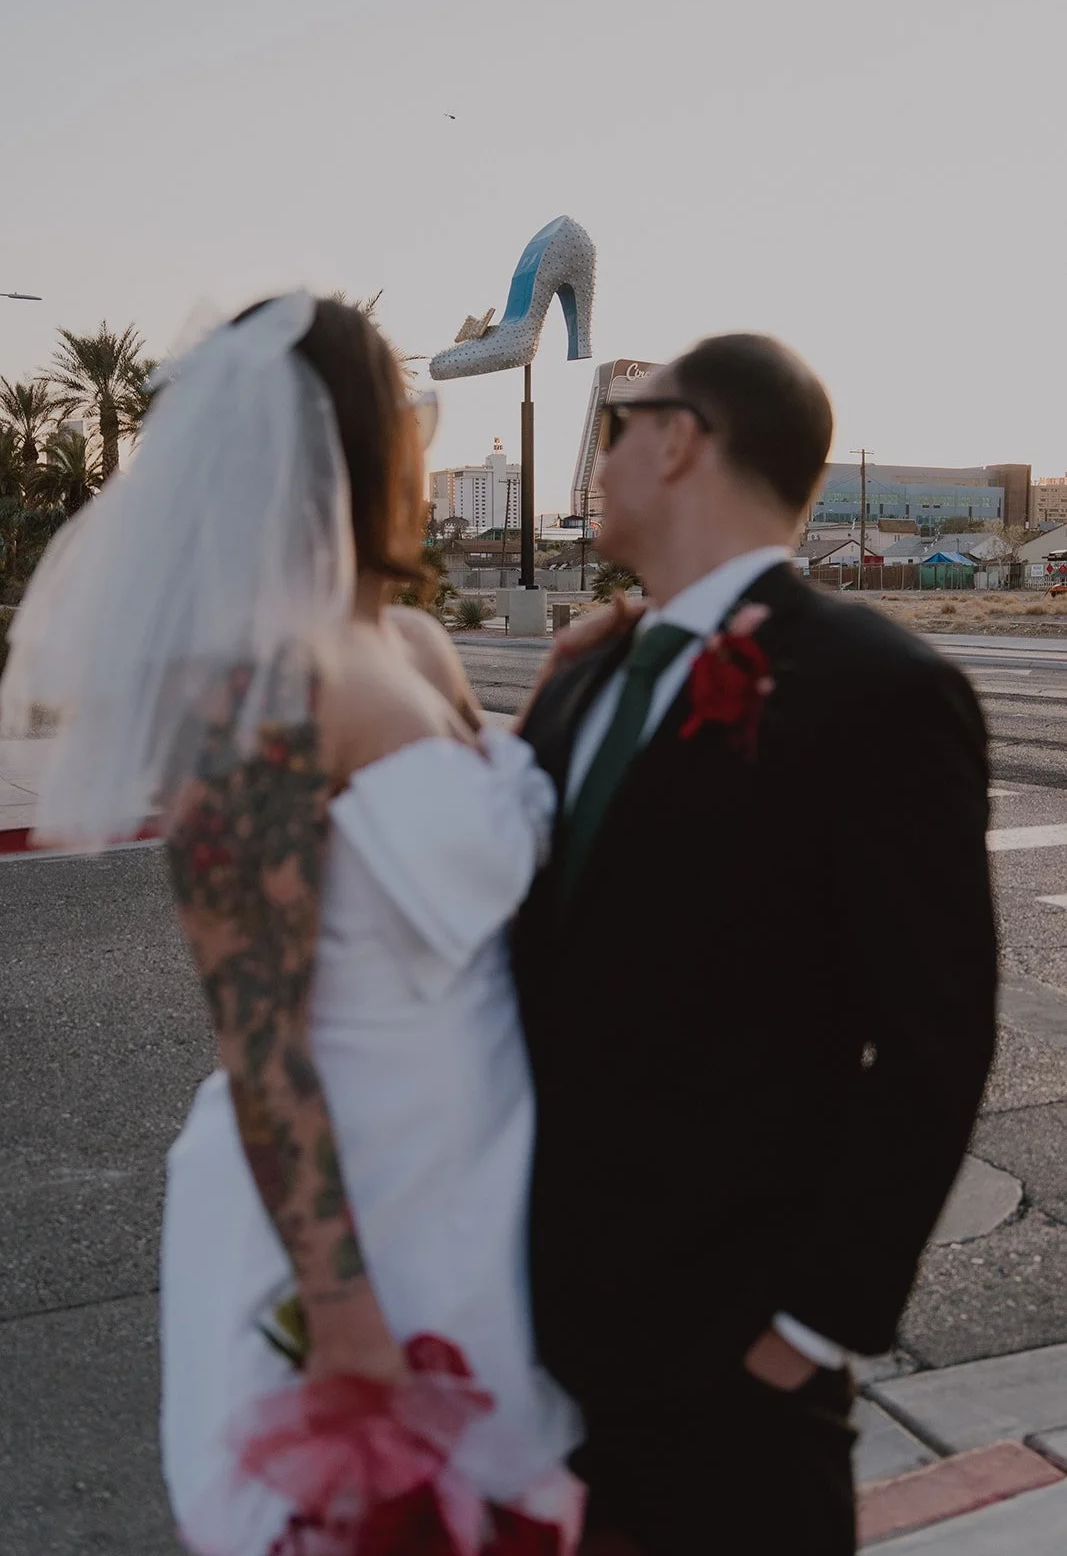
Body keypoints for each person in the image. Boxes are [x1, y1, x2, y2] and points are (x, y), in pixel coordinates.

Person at [0, 293, 626, 1555]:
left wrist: (563, 691)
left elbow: (485, 824)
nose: (422, 445)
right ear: (347, 449)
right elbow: (258, 1041)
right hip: (347, 1200)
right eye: (404, 424)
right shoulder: (252, 692)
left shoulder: (408, 641)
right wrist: (340, 1317)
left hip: (482, 1167)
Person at [512, 334, 998, 1555]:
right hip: (531, 1343)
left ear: (679, 439)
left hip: (732, 1372)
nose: (603, 451)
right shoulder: (583, 678)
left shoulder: (875, 686)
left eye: (621, 421)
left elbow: (936, 1040)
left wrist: (808, 1334)